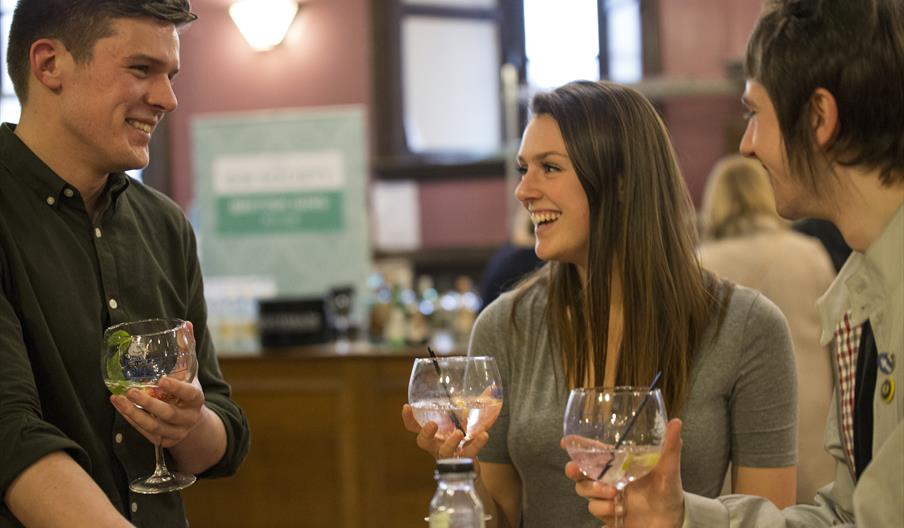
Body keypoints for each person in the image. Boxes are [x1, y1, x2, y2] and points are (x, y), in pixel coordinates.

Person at [403, 80, 799, 527]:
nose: (524, 191)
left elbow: (771, 520)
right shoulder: (504, 326)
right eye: (523, 169)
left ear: (623, 183)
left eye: (549, 168)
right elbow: (501, 516)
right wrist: (461, 469)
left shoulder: (747, 327)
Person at [567, 1, 904, 526]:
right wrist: (680, 516)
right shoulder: (864, 290)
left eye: (753, 112)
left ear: (818, 117)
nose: (746, 146)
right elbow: (848, 517)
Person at [0, 1, 250, 527]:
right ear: (48, 66)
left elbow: (224, 439)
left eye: (171, 75)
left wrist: (189, 421)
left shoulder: (165, 225)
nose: (168, 98)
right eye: (141, 69)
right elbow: (10, 436)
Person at [698, 154, 836, 503]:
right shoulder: (810, 252)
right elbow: (838, 339)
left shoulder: (701, 264)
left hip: (739, 423)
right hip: (813, 413)